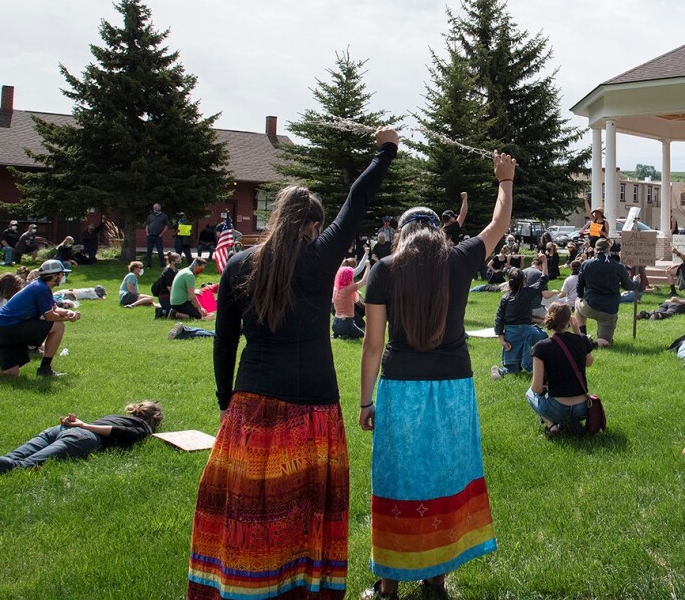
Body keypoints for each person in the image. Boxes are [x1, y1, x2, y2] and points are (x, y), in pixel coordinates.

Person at [188, 127, 397, 600]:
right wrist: (386, 150)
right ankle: (300, 587)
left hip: (252, 402)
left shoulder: (240, 264)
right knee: (304, 509)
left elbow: (223, 344)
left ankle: (244, 585)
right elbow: (357, 199)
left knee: (249, 511)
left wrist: (226, 402)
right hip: (313, 410)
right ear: (310, 226)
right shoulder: (321, 258)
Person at [357, 151, 515, 600]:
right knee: (444, 477)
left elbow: (372, 345)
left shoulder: (383, 271)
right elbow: (498, 226)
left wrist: (366, 402)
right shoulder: (459, 259)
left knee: (396, 479)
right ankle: (436, 582)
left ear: (402, 234)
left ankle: (388, 587)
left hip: (400, 388)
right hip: (454, 388)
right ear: (437, 230)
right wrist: (504, 180)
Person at [0, 401, 163, 493]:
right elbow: (118, 433)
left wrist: (76, 423)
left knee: (9, 459)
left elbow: (114, 426)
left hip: (63, 429)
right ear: (152, 420)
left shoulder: (117, 415)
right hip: (83, 437)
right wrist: (85, 426)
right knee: (19, 466)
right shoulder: (143, 428)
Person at [526, 301, 593, 437]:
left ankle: (551, 425)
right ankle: (569, 422)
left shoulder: (541, 347)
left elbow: (537, 388)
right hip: (583, 407)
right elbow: (589, 362)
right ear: (569, 320)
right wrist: (577, 331)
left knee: (530, 393)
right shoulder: (581, 340)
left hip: (558, 407)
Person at [491, 268, 549, 380]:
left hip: (511, 335)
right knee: (545, 338)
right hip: (528, 332)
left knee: (512, 369)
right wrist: (544, 261)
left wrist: (502, 339)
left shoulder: (505, 298)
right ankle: (533, 364)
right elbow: (544, 280)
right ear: (524, 280)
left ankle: (500, 372)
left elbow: (499, 319)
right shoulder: (527, 293)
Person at [576, 238, 632, 348]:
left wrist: (581, 297)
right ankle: (594, 344)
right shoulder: (618, 266)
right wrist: (636, 282)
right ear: (609, 250)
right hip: (609, 311)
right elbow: (628, 286)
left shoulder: (586, 264)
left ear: (596, 250)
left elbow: (579, 286)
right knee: (605, 342)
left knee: (577, 303)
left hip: (589, 307)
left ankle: (582, 336)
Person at [332, 263, 368, 339]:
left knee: (352, 330)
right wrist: (368, 266)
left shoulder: (336, 289)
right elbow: (364, 281)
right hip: (346, 323)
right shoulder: (348, 289)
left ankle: (339, 334)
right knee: (364, 336)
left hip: (335, 324)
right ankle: (345, 334)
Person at [145, 203, 170, 268]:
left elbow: (166, 226)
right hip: (150, 236)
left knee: (160, 251)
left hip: (158, 236)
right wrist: (147, 233)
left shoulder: (164, 216)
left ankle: (162, 265)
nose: (154, 208)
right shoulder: (150, 216)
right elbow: (147, 225)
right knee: (149, 251)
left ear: (159, 208)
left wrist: (161, 234)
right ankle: (148, 265)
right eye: (154, 207)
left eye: (156, 207)